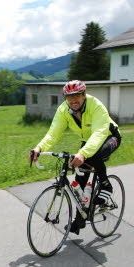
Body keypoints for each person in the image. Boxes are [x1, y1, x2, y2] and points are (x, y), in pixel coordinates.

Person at [30, 80, 121, 235]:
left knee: (93, 155)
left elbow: (99, 134)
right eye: (69, 97)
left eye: (77, 95)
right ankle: (80, 220)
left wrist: (83, 154)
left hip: (109, 136)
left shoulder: (96, 106)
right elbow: (53, 133)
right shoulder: (63, 110)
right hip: (88, 142)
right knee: (79, 178)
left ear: (83, 95)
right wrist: (39, 148)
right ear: (65, 98)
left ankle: (106, 186)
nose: (73, 100)